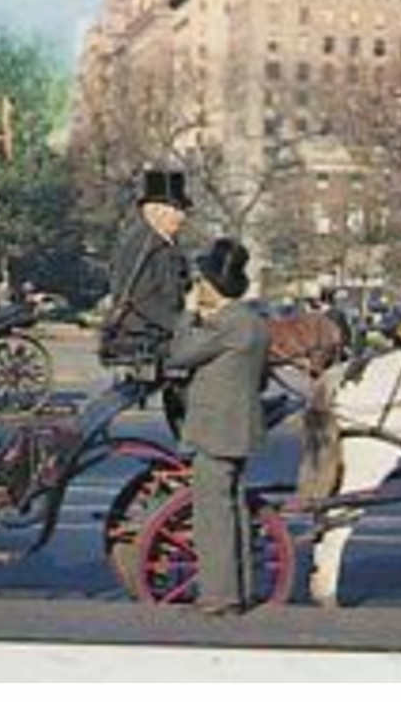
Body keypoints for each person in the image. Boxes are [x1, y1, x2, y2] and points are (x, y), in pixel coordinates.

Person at [165, 238, 269, 615]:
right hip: (239, 431)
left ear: (211, 284)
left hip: (215, 432)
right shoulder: (254, 323)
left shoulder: (226, 325)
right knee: (234, 510)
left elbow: (179, 354)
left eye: (202, 281)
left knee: (212, 516)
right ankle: (238, 589)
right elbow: (260, 381)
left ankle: (219, 596)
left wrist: (188, 314)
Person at [103, 167, 193, 387]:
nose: (183, 216)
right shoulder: (141, 245)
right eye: (178, 209)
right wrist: (181, 325)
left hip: (157, 328)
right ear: (155, 210)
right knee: (220, 347)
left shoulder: (162, 243)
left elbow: (181, 286)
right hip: (143, 332)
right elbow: (142, 299)